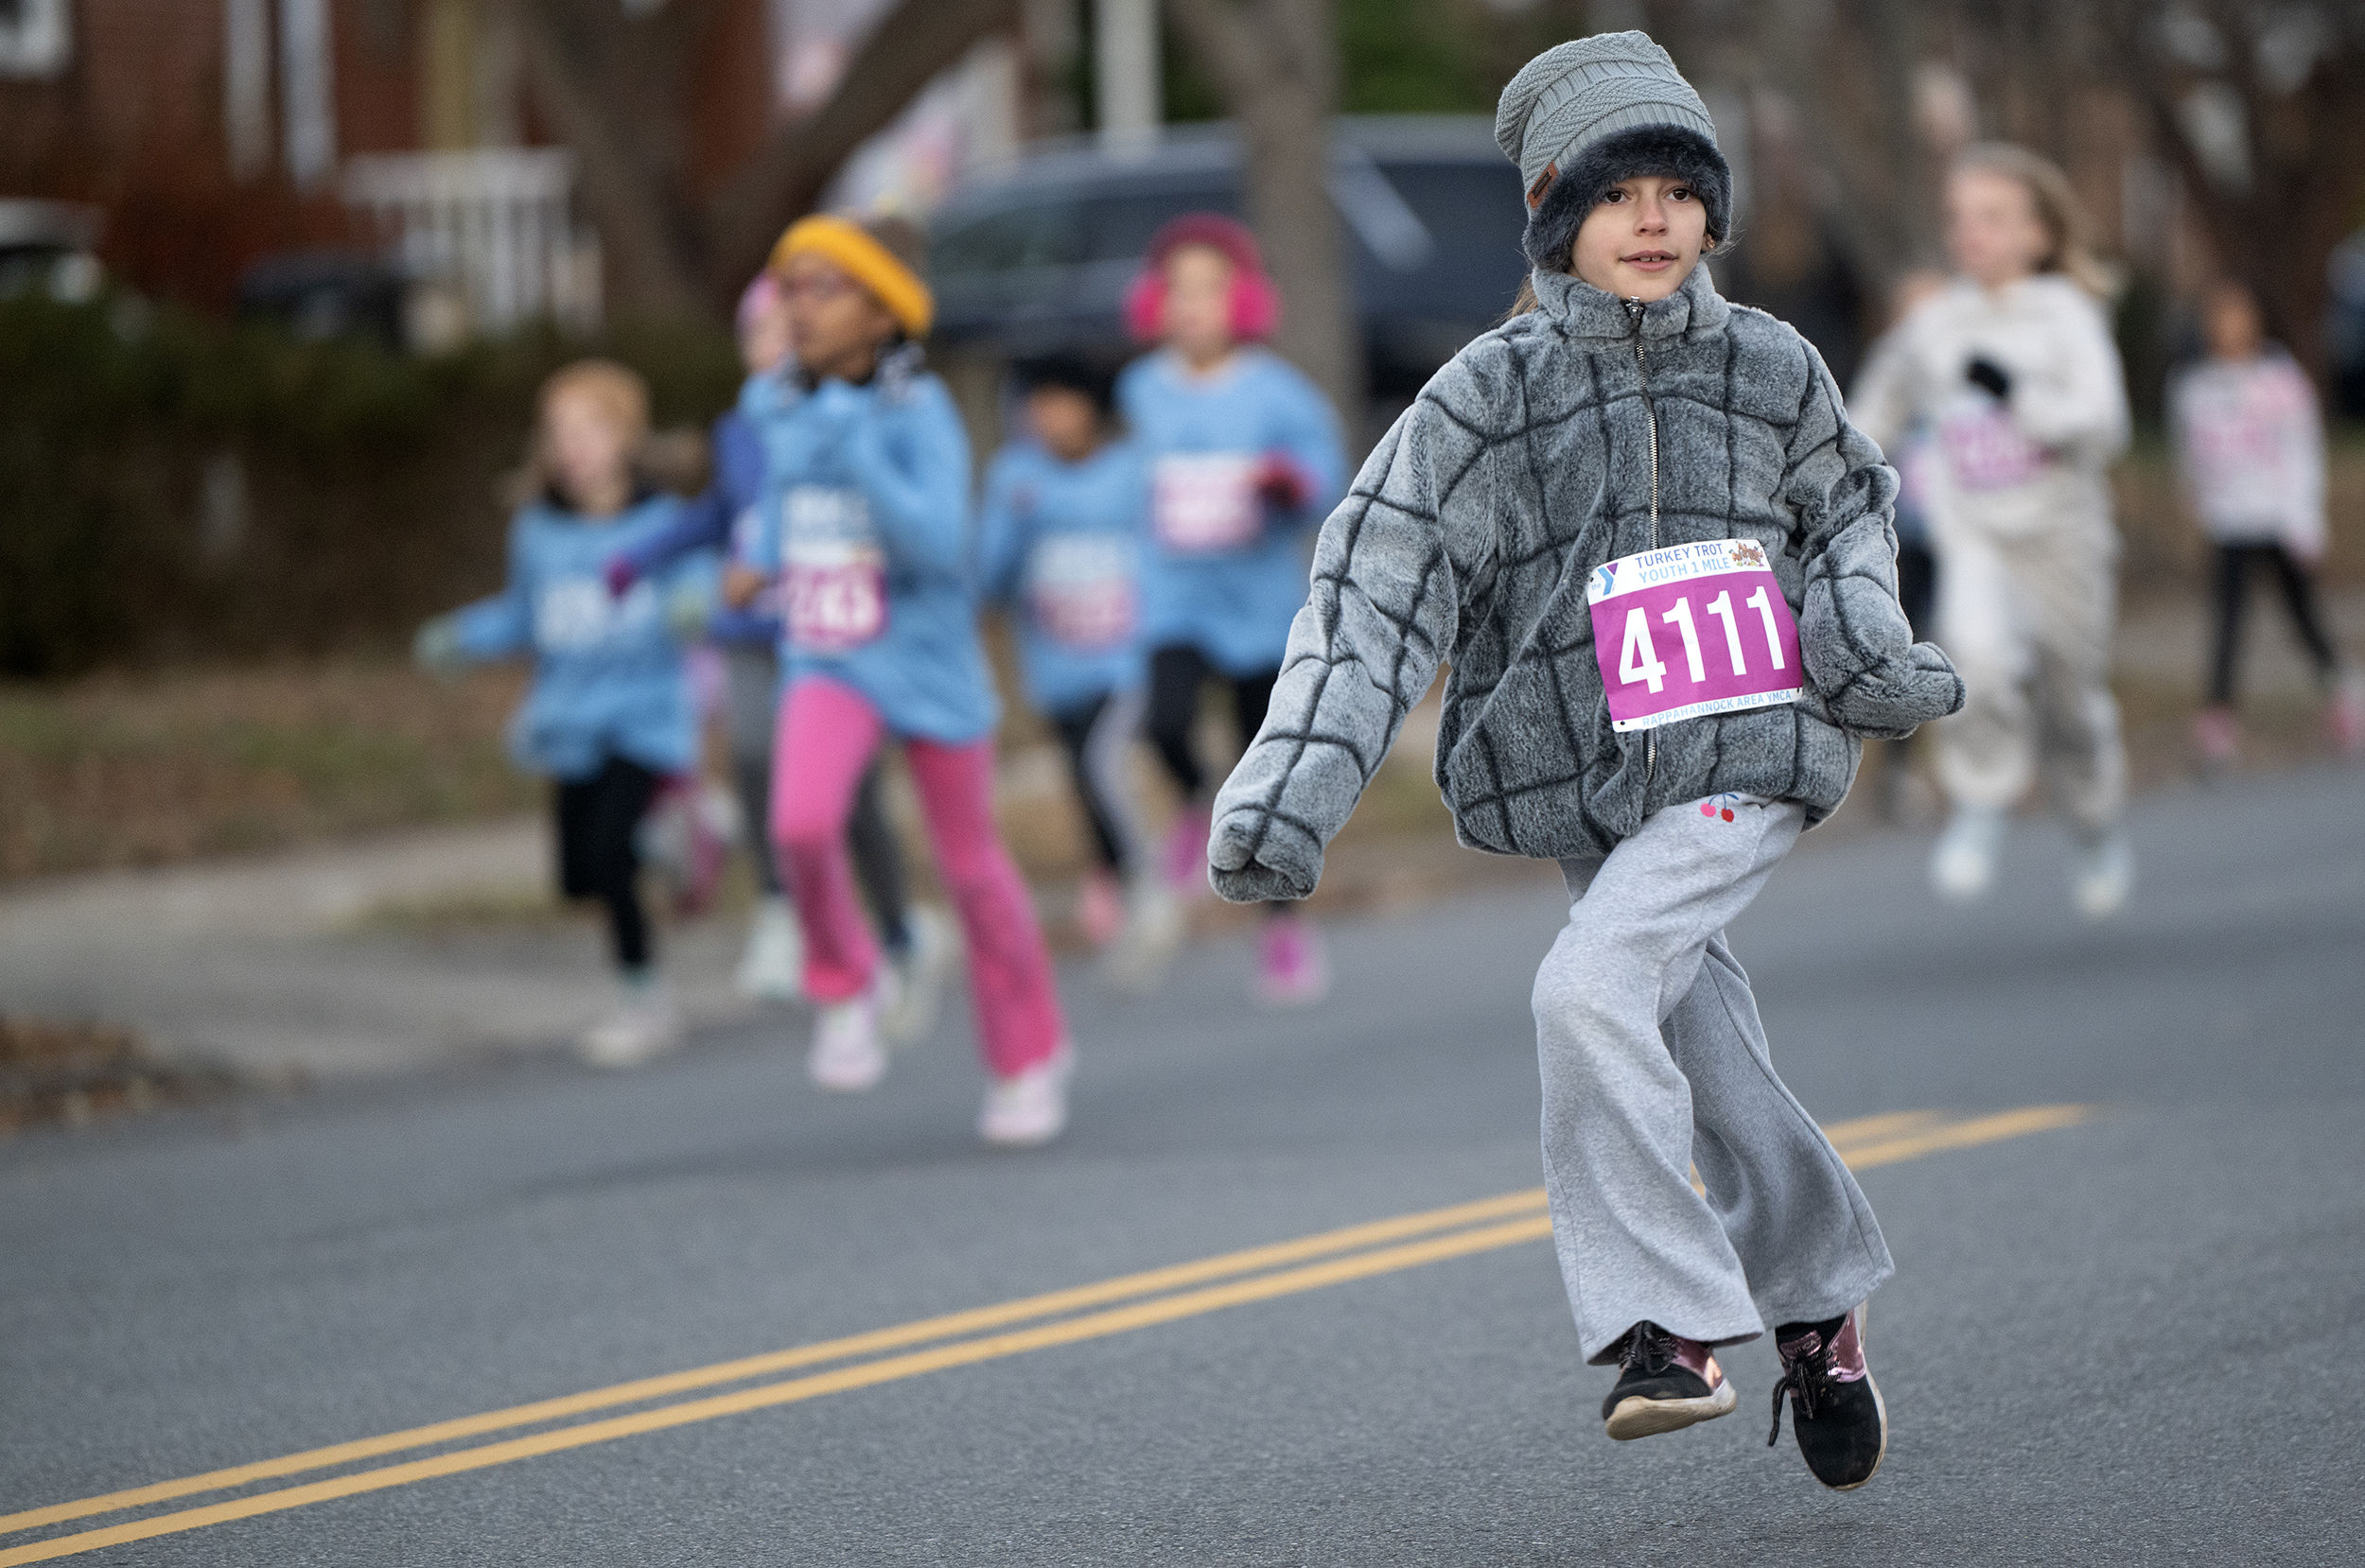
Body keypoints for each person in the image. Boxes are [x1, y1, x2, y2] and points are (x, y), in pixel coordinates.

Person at [1204, 31, 1962, 1490]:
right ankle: (1818, 1302)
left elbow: (1854, 510)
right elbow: (1369, 590)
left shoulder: (1770, 363)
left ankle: (1670, 1323)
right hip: (1579, 771)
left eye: (1683, 188)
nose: (1658, 218)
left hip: (1746, 744)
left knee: (1589, 985)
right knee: (1704, 1045)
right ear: (1557, 213)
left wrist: (1864, 647)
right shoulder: (1484, 399)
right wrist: (1290, 791)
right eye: (1621, 194)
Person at [729, 213, 1073, 1146]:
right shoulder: (781, 403)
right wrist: (754, 554)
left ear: (884, 313)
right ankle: (848, 978)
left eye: (822, 288)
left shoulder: (912, 410)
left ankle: (1027, 1053)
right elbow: (780, 509)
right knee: (799, 823)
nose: (796, 306)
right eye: (788, 288)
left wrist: (861, 451)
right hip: (828, 655)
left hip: (926, 665)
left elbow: (936, 544)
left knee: (969, 868)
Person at [603, 273, 950, 1032]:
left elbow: (898, 522)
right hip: (755, 634)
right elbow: (714, 517)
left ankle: (896, 931)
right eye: (757, 337)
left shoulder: (852, 417)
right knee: (757, 755)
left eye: (785, 334)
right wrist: (644, 557)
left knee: (855, 802)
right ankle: (777, 904)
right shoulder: (737, 433)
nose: (773, 348)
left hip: (834, 638)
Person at [1851, 145, 2134, 917]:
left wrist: (2018, 397)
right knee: (1972, 655)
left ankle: (2096, 823)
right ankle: (1979, 802)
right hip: (1976, 533)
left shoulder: (2067, 316)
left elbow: (2107, 425)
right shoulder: (1935, 325)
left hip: (2064, 541)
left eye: (1993, 218)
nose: (1970, 233)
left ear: (2039, 235)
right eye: (1959, 219)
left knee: (2073, 705)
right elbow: (1869, 416)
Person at [414, 360, 717, 1068]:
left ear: (626, 439)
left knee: (610, 856)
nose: (570, 446)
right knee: (578, 876)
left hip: (643, 719)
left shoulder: (662, 524)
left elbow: (702, 580)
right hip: (568, 722)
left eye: (588, 429)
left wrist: (694, 602)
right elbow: (523, 617)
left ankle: (645, 1001)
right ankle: (681, 836)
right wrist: (460, 636)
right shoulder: (537, 534)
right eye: (557, 432)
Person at [1118, 214, 1348, 1005]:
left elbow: (1323, 469)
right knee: (1161, 724)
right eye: (1176, 288)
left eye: (1210, 288)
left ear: (1244, 300)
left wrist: (1288, 484)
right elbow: (1126, 485)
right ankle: (1186, 808)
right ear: (1154, 302)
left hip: (1257, 608)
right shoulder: (1139, 391)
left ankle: (1282, 928)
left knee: (1265, 776)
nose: (1192, 305)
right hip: (1174, 600)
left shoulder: (1277, 391)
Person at [977, 354, 1184, 989]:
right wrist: (1015, 518)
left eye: (1061, 401)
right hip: (1055, 668)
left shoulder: (1132, 472)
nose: (1048, 417)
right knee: (1086, 783)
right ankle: (1123, 895)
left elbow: (1165, 552)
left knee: (1104, 765)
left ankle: (1154, 887)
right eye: (1036, 403)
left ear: (1090, 407)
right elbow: (988, 579)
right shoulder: (1015, 478)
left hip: (1126, 661)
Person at [2169, 279, 2363, 765]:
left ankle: (2342, 693)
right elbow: (2187, 451)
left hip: (2279, 518)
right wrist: (2194, 498)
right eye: (2218, 317)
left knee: (2303, 617)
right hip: (2228, 521)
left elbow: (2303, 451)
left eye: (2237, 316)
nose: (2228, 327)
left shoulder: (2280, 378)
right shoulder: (2194, 385)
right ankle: (2217, 722)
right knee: (2228, 623)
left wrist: (2306, 518)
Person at [1851, 270, 1949, 820]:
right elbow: (1861, 432)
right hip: (1906, 539)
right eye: (1913, 315)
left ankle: (1980, 767)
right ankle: (1903, 772)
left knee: (1975, 644)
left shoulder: (1973, 367)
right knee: (1910, 648)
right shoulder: (1893, 374)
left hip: (1974, 540)